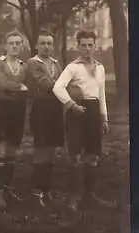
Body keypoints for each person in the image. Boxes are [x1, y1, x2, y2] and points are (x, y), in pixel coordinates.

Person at [53, 30, 114, 211]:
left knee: (93, 156)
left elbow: (101, 94)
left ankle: (90, 194)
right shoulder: (73, 67)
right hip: (77, 111)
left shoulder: (100, 68)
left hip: (94, 111)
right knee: (75, 156)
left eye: (90, 45)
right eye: (83, 45)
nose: (87, 49)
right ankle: (73, 198)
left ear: (95, 46)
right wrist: (71, 104)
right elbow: (58, 88)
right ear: (77, 46)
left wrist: (104, 118)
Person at [25, 30, 64, 207]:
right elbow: (46, 84)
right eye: (43, 43)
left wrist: (63, 86)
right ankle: (35, 192)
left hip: (55, 110)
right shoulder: (33, 63)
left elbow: (64, 83)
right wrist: (62, 87)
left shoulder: (56, 63)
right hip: (40, 110)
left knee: (50, 151)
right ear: (36, 45)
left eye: (49, 43)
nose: (46, 47)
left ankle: (46, 191)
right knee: (41, 151)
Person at [0, 30, 28, 209]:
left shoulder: (24, 65)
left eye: (17, 43)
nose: (14, 46)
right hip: (1, 112)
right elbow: (2, 85)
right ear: (6, 45)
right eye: (11, 43)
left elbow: (29, 89)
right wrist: (20, 87)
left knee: (12, 152)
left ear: (21, 46)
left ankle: (8, 189)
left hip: (18, 112)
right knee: (1, 151)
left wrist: (15, 89)